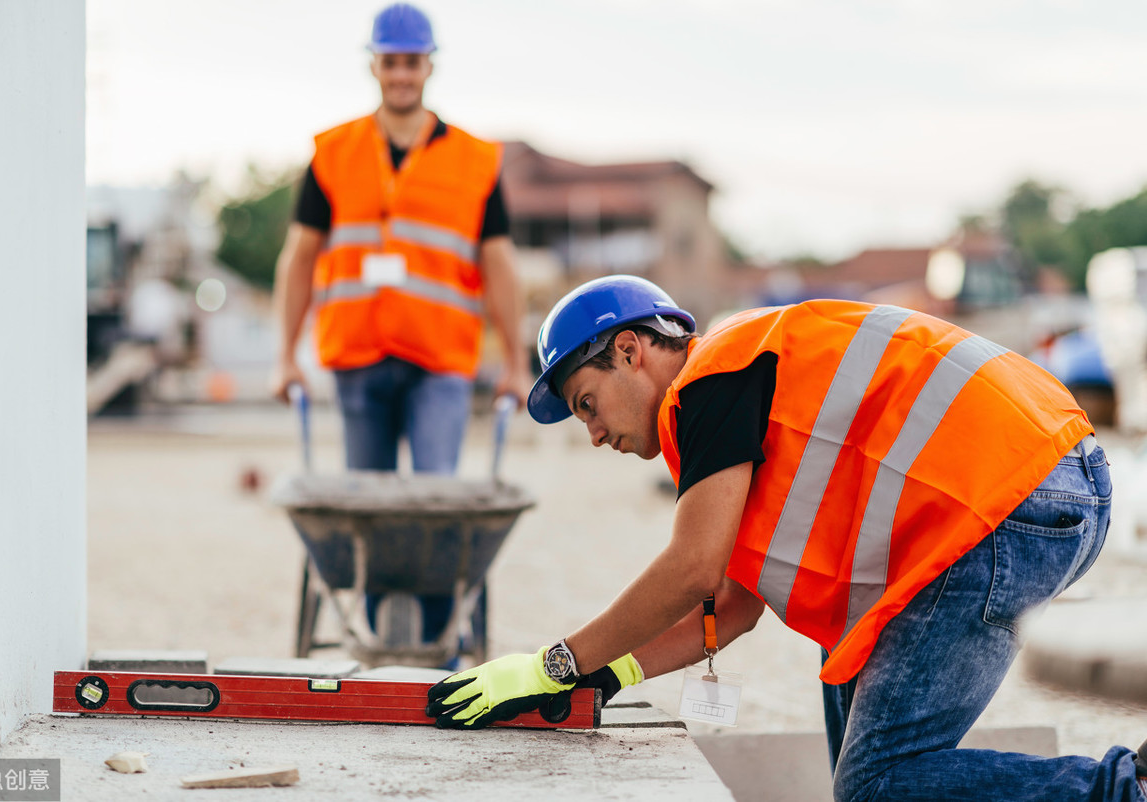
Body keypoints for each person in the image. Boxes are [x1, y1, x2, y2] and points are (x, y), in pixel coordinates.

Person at [427, 275, 1147, 802]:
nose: (592, 433)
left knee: (881, 785)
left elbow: (691, 569)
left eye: (587, 404)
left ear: (630, 350)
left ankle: (1128, 789)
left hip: (1006, 501)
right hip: (1021, 492)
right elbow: (731, 604)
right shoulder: (735, 404)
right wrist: (608, 674)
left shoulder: (713, 376)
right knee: (864, 786)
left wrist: (556, 663)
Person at [270, 3, 529, 647]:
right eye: (391, 61)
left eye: (412, 62)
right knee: (370, 511)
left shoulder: (474, 161)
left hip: (440, 361)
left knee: (437, 505)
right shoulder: (334, 154)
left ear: (429, 66)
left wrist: (517, 364)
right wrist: (285, 355)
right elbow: (299, 259)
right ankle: (381, 644)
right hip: (357, 358)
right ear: (375, 65)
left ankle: (438, 645)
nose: (402, 74)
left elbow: (500, 266)